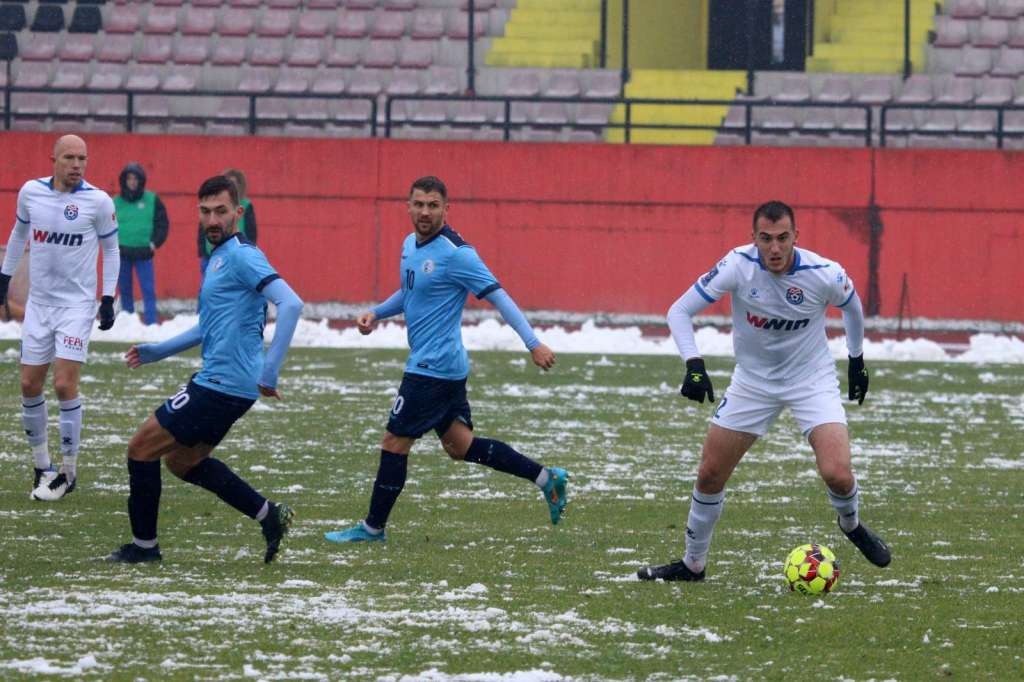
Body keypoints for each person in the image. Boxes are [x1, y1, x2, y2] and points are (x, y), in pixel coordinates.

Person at [638, 200, 891, 582]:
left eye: (782, 238)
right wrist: (693, 364)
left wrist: (856, 359)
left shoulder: (823, 273)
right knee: (709, 474)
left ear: (796, 237)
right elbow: (678, 311)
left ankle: (851, 524)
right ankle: (693, 564)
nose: (774, 248)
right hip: (753, 383)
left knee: (837, 473)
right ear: (753, 237)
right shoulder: (738, 265)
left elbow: (853, 307)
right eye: (765, 238)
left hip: (812, 380)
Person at [324, 175, 568, 545]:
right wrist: (376, 313)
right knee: (461, 447)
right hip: (445, 368)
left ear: (446, 209)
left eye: (433, 205)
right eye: (419, 204)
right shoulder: (410, 245)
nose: (425, 212)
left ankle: (373, 528)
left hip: (431, 368)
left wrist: (533, 344)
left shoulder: (457, 254)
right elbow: (410, 293)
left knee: (394, 441)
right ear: (408, 206)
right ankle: (547, 480)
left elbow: (500, 296)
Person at [106, 175, 303, 564]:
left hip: (222, 385)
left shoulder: (243, 256)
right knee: (182, 462)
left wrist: (270, 373)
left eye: (221, 211)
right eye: (205, 211)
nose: (212, 219)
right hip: (228, 385)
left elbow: (291, 304)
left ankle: (144, 548)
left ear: (238, 213)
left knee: (140, 448)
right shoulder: (220, 257)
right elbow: (208, 325)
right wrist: (157, 352)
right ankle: (269, 515)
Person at [0, 134, 120, 502]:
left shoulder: (98, 201)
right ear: (53, 158)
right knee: (29, 385)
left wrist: (106, 299)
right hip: (40, 304)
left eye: (82, 158)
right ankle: (42, 465)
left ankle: (69, 471)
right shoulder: (30, 193)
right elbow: (19, 234)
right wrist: (4, 279)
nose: (77, 165)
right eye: (69, 157)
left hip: (76, 307)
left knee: (65, 385)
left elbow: (112, 250)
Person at [114, 162, 169, 325]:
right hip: (122, 252)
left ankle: (151, 323)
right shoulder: (115, 202)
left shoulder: (152, 199)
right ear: (124, 180)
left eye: (135, 178)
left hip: (143, 253)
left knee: (148, 290)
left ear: (141, 180)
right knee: (125, 290)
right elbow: (104, 225)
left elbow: (163, 224)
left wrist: (154, 243)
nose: (132, 182)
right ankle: (128, 321)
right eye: (129, 178)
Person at [198, 168, 256, 278]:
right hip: (210, 253)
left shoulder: (246, 205)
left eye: (234, 184)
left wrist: (248, 252)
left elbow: (252, 232)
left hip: (236, 255)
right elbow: (202, 228)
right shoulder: (212, 203)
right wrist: (202, 251)